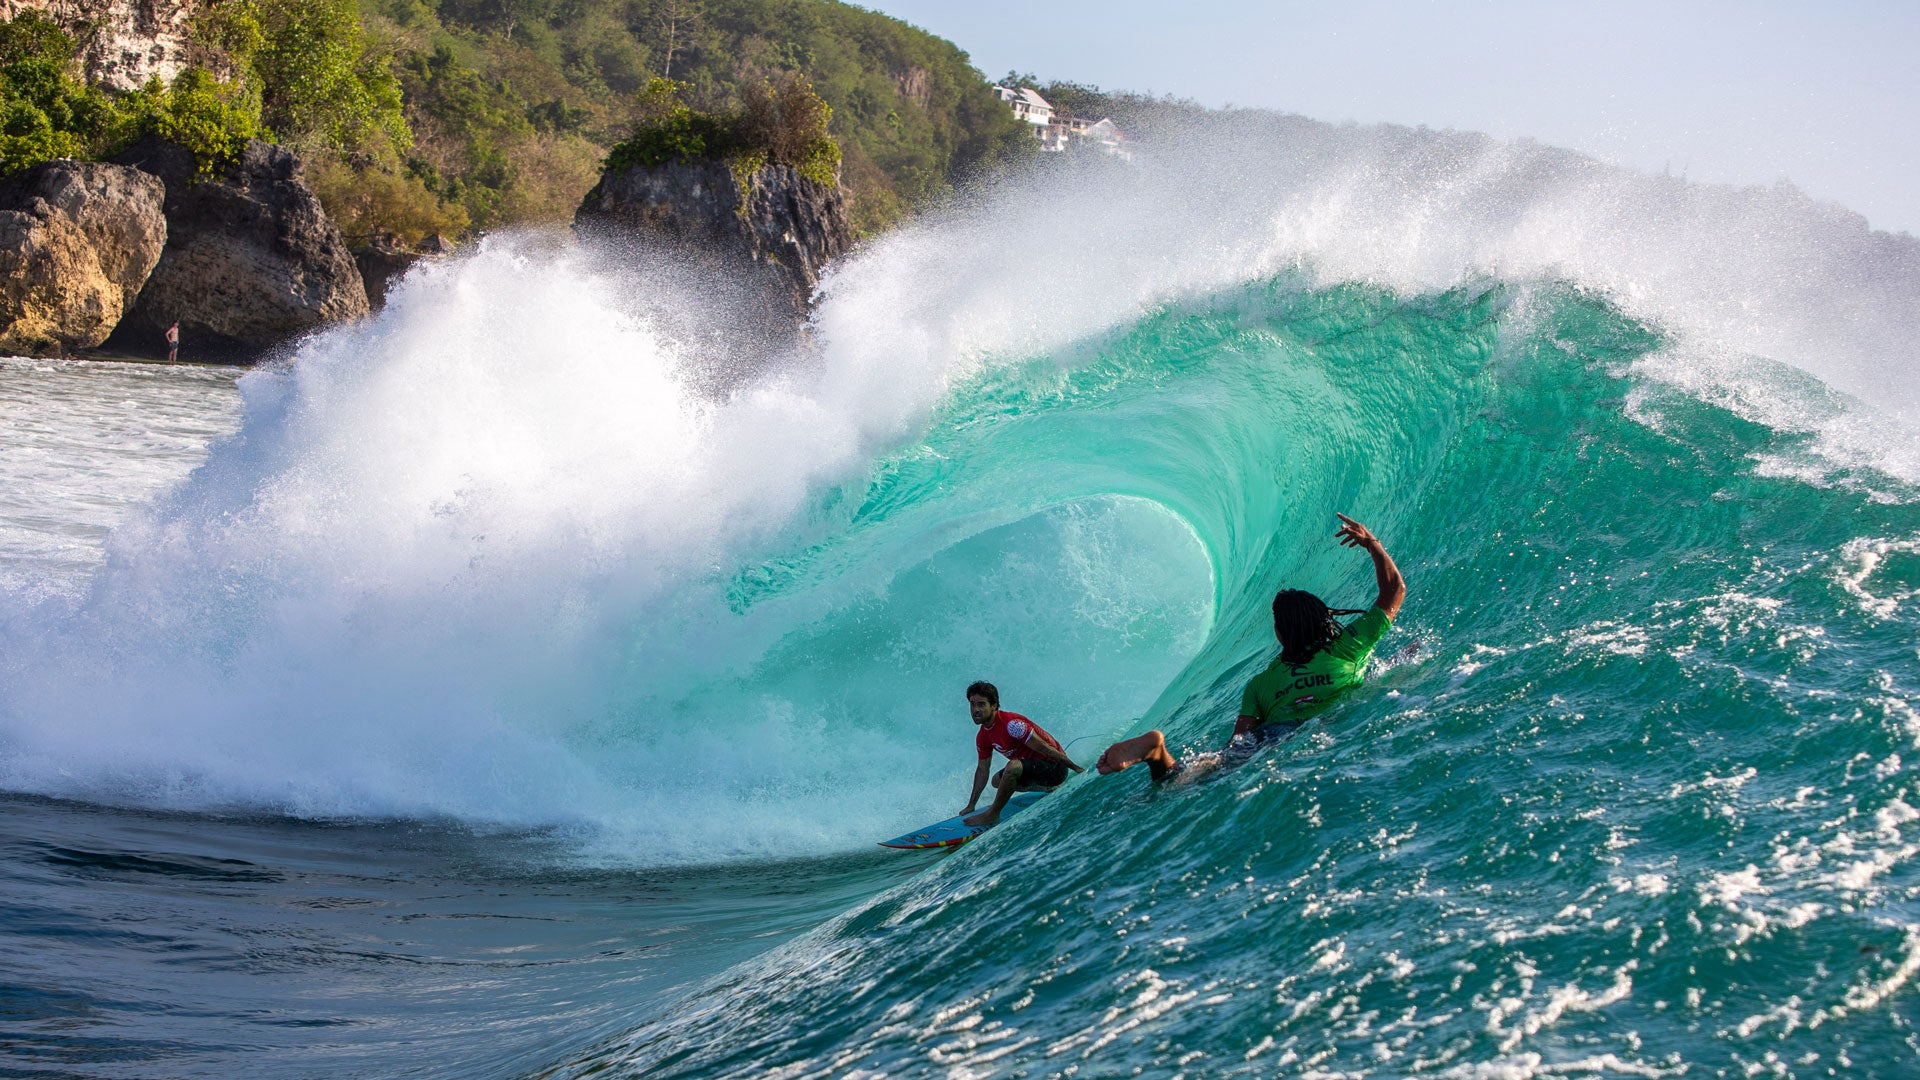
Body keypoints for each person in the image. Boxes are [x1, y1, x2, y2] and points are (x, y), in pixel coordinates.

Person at [1096, 513, 1406, 782]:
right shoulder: (1347, 646)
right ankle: (1156, 752)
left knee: (1211, 768)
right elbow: (1394, 589)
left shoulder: (1260, 684)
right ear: (1322, 620)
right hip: (1312, 726)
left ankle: (1157, 752)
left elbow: (1238, 744)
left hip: (1272, 735)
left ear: (1279, 633)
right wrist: (1371, 543)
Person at [961, 681, 1083, 826]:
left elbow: (1046, 749)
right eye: (972, 704)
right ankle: (1049, 788)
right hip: (1035, 772)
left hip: (1055, 768)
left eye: (981, 704)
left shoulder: (1012, 725)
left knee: (1012, 767)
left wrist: (1076, 768)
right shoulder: (983, 736)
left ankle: (993, 814)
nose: (975, 709)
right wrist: (971, 805)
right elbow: (982, 770)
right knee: (996, 781)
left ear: (993, 705)